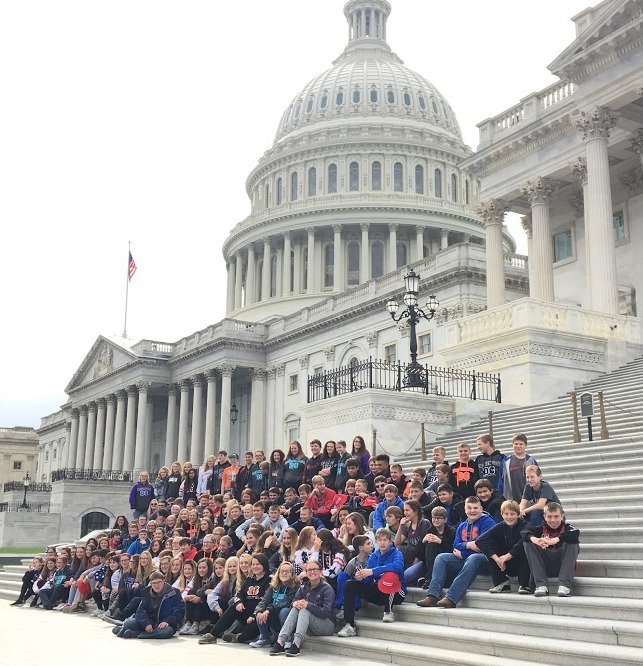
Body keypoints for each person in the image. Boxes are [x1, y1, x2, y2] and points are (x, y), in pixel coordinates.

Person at [417, 496, 495, 608]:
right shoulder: (462, 525)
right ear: (465, 510)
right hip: (467, 561)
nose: (472, 510)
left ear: (481, 508)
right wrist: (469, 545)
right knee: (441, 557)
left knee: (474, 558)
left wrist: (463, 553)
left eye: (475, 508)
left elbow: (483, 547)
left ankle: (451, 598)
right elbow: (456, 545)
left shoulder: (488, 522)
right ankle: (433, 595)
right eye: (469, 508)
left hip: (486, 561)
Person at [337, 528, 406, 636]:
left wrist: (373, 571)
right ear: (377, 542)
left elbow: (397, 567)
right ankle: (349, 625)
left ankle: (388, 611)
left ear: (390, 541)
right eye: (380, 540)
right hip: (379, 591)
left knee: (389, 576)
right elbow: (368, 579)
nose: (382, 543)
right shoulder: (374, 556)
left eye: (385, 540)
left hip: (397, 593)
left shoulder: (396, 553)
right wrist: (361, 577)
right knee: (350, 584)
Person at [198, 553, 271, 644]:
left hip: (259, 615)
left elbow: (266, 601)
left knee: (248, 633)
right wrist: (239, 602)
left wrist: (254, 614)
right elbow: (239, 595)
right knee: (233, 607)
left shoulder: (269, 580)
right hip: (246, 613)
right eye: (253, 564)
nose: (255, 567)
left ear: (264, 565)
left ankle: (238, 637)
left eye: (258, 564)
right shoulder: (249, 580)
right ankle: (213, 635)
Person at [269, 560, 336, 656]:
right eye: (309, 570)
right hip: (309, 626)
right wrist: (295, 603)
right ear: (306, 572)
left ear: (320, 571)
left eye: (315, 569)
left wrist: (308, 605)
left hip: (327, 625)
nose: (312, 572)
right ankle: (280, 642)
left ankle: (296, 644)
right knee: (297, 607)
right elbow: (293, 603)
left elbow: (326, 612)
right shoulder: (303, 587)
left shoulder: (327, 589)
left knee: (304, 609)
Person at [522, 501, 580, 597]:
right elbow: (524, 532)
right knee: (528, 542)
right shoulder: (540, 529)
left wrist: (554, 540)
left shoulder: (568, 528)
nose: (553, 520)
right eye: (549, 516)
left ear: (562, 516)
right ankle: (541, 585)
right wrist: (536, 540)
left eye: (556, 516)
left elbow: (575, 532)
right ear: (544, 517)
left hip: (563, 566)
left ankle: (564, 585)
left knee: (573, 541)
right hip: (545, 567)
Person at [476, 500, 531, 594]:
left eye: (512, 514)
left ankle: (524, 584)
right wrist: (497, 559)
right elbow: (480, 540)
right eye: (506, 514)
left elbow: (521, 542)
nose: (509, 517)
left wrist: (508, 556)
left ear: (518, 514)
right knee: (490, 542)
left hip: (522, 564)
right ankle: (502, 582)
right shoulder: (500, 527)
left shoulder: (525, 525)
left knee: (525, 542)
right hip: (503, 565)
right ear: (502, 515)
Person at [113, 570, 185, 639]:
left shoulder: (174, 593)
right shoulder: (147, 593)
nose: (156, 585)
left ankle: (136, 634)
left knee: (166, 632)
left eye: (159, 582)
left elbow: (179, 611)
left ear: (164, 581)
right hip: (150, 621)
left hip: (165, 624)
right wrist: (146, 624)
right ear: (151, 583)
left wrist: (167, 621)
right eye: (154, 583)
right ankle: (126, 629)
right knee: (128, 623)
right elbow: (140, 611)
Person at [249, 561, 298, 648]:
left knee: (284, 611)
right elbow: (264, 601)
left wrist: (269, 609)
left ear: (292, 574)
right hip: (274, 615)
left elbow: (287, 602)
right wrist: (259, 611)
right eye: (282, 571)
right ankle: (264, 637)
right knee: (260, 611)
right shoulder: (273, 587)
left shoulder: (296, 587)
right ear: (278, 573)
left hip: (287, 617)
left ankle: (287, 637)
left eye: (287, 571)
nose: (284, 573)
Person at [395, 499, 431, 584]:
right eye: (404, 510)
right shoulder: (408, 526)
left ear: (415, 511)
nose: (405, 513)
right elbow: (397, 543)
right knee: (399, 548)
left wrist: (414, 563)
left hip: (421, 559)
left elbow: (422, 546)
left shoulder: (424, 523)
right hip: (410, 558)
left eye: (407, 510)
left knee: (406, 576)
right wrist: (400, 526)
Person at [419, 506, 456, 589]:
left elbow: (452, 549)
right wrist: (423, 542)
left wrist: (440, 542)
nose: (435, 520)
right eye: (434, 518)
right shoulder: (429, 531)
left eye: (439, 518)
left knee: (433, 545)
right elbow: (420, 554)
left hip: (446, 559)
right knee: (431, 544)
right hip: (430, 560)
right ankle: (429, 578)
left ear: (445, 520)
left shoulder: (451, 531)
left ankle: (430, 578)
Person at [498, 433, 538, 501]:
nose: (518, 446)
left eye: (521, 444)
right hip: (510, 500)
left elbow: (537, 480)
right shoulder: (506, 461)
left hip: (528, 500)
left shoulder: (531, 461)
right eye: (516, 444)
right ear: (512, 445)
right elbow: (501, 480)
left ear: (526, 445)